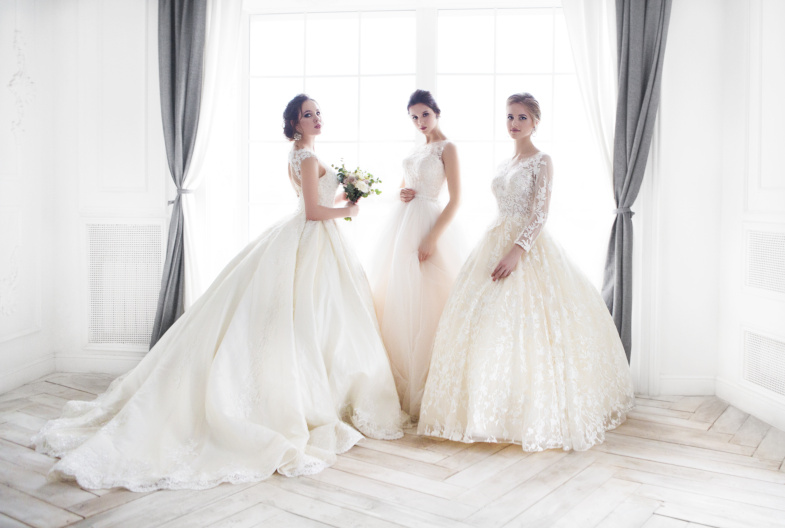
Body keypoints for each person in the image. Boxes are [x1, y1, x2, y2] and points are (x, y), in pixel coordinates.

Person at [33, 94, 403, 492]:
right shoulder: (308, 157)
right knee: (314, 320)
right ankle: (312, 398)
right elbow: (313, 211)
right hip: (311, 237)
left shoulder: (300, 154)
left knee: (311, 322)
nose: (316, 119)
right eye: (307, 115)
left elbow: (311, 203)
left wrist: (345, 197)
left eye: (317, 112)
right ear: (295, 124)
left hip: (307, 239)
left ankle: (317, 392)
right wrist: (348, 210)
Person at [417, 92, 634, 451]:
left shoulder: (542, 160)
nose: (514, 124)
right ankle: (493, 408)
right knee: (487, 324)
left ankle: (534, 411)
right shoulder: (504, 163)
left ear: (535, 122)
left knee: (535, 329)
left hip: (525, 247)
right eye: (509, 117)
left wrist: (517, 251)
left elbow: (540, 214)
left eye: (521, 118)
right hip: (494, 239)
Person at [369, 89, 463, 422]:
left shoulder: (447, 147)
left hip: (428, 224)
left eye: (424, 114)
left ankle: (432, 386)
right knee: (400, 298)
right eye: (414, 117)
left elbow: (455, 199)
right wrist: (402, 192)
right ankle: (400, 381)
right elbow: (403, 186)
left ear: (436, 112)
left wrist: (432, 238)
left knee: (429, 301)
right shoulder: (416, 149)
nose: (420, 121)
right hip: (404, 225)